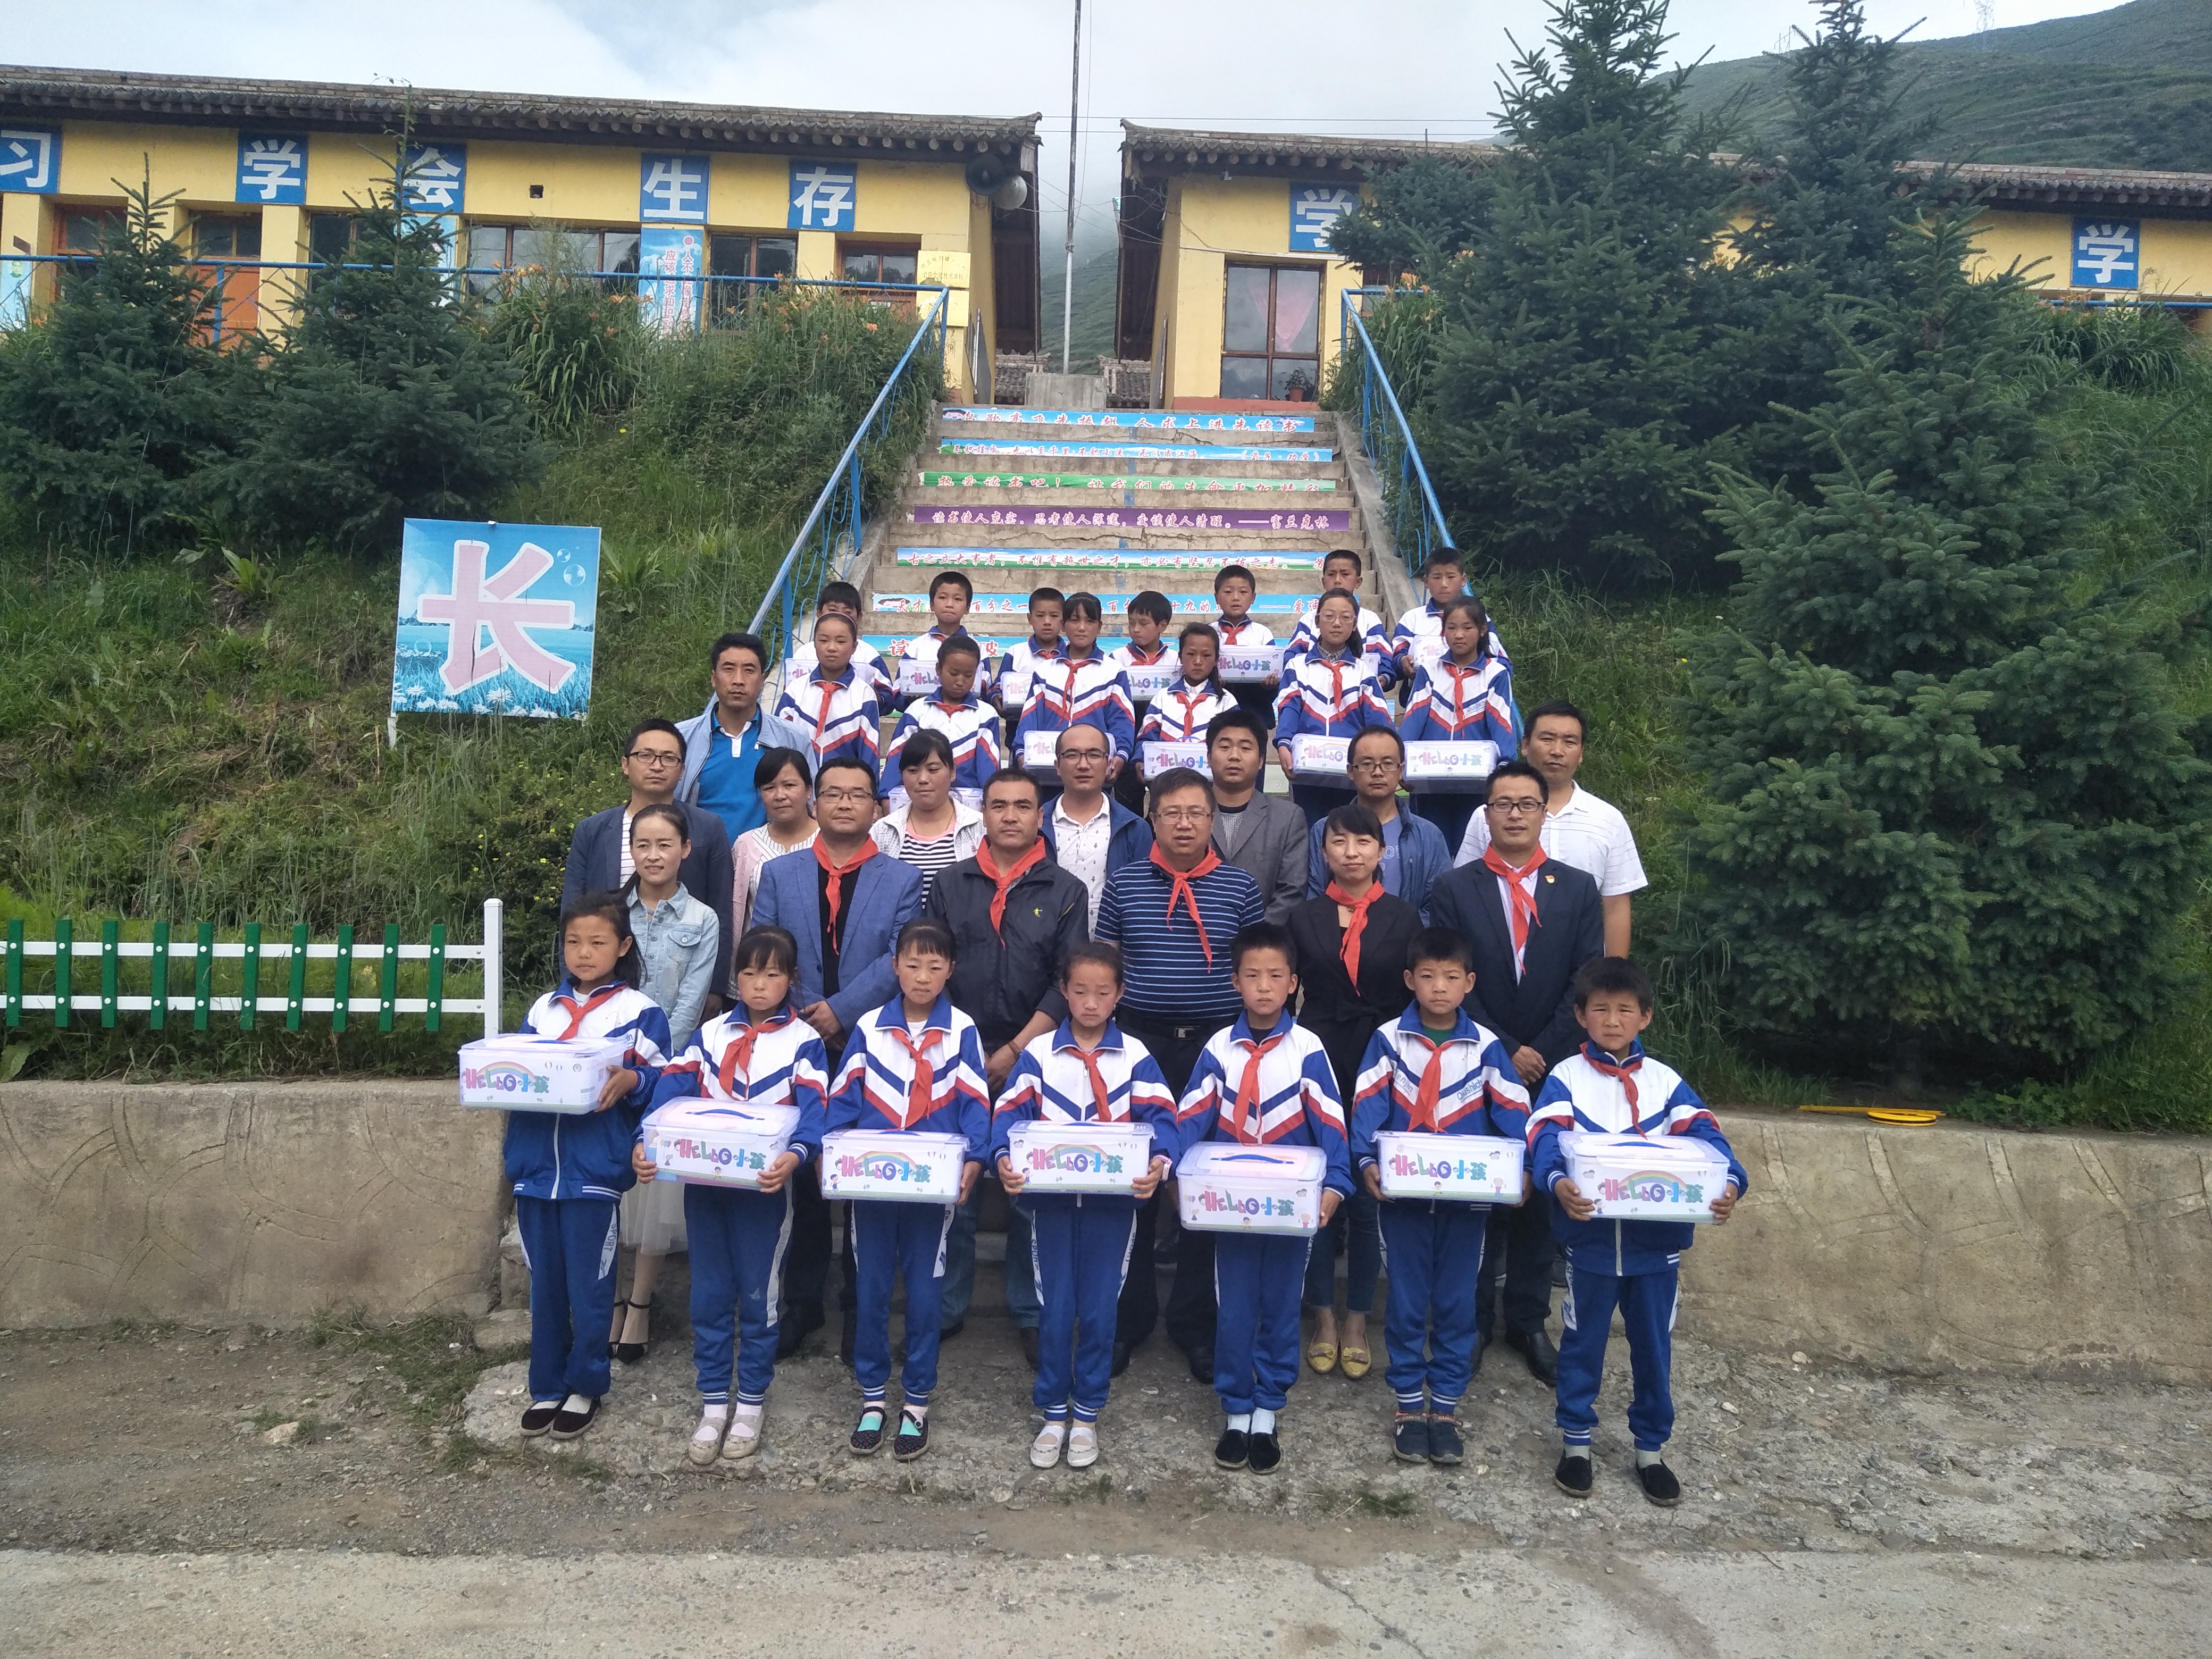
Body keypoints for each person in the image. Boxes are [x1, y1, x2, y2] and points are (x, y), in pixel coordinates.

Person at [1529, 956, 1747, 1505]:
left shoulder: (1665, 1083)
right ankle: (1576, 1444)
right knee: (1582, 1344)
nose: (1612, 1021)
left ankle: (1650, 1450)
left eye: (1625, 1010)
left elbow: (1709, 1138)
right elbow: (1544, 1138)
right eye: (1600, 1009)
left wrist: (1730, 1183)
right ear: (1580, 1015)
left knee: (1654, 1348)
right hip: (1590, 1246)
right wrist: (1556, 1181)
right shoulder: (1565, 1078)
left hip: (1657, 1249)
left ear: (1645, 1017)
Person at [1425, 759, 1604, 1386]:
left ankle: (1527, 1320)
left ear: (1542, 812)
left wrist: (1541, 1050)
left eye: (1527, 804)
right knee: (1480, 1192)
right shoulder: (1454, 888)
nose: (1515, 814)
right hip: (1477, 1059)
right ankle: (1472, 1320)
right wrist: (1505, 1047)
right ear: (1486, 813)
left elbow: (1584, 979)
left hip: (1551, 1065)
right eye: (1502, 804)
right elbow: (1451, 980)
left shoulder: (1577, 888)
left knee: (1538, 1191)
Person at [751, 756, 925, 1358]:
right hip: (793, 1039)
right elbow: (765, 947)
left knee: (862, 1175)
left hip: (869, 1042)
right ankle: (801, 1304)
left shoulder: (902, 879)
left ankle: (860, 1311)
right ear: (813, 803)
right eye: (832, 793)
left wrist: (841, 1011)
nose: (844, 803)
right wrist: (807, 1010)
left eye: (857, 794)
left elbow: (899, 957)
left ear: (878, 807)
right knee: (799, 1175)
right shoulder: (780, 873)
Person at [1095, 768, 1266, 1378]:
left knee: (1204, 1181)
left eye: (1196, 813)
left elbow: (1253, 971)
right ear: (1153, 819)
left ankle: (1196, 1322)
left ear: (1211, 820)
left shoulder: (1241, 888)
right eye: (1172, 813)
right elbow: (1106, 968)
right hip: (1138, 1047)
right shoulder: (1123, 884)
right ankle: (1128, 1318)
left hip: (1214, 1051)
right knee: (1134, 1181)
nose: (1185, 824)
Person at [636, 924, 828, 1466]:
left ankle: (752, 1402)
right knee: (709, 1294)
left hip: (764, 1194)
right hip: (705, 1187)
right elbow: (670, 1091)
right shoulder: (710, 1035)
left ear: (792, 979)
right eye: (748, 973)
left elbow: (815, 1109)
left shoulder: (804, 1042)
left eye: (772, 974)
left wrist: (798, 1154)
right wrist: (644, 1141)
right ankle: (714, 1400)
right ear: (735, 978)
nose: (759, 985)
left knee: (759, 1297)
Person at [923, 766, 1091, 1356]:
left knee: (1027, 1188)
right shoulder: (950, 883)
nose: (1011, 816)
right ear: (984, 814)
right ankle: (946, 1306)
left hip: (1035, 1054)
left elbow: (1066, 982)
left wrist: (1016, 1050)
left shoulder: (1066, 890)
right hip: (958, 1052)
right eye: (999, 806)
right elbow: (935, 967)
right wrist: (970, 1049)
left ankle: (1029, 1310)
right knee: (958, 1183)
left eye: (1023, 806)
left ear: (1039, 816)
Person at [990, 941, 1177, 1470]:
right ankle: (1053, 1412)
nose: (1090, 1003)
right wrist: (1003, 1157)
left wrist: (1159, 1162)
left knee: (1098, 1311)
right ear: (1064, 993)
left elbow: (1164, 1120)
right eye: (1079, 992)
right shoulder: (1038, 1054)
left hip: (1111, 1209)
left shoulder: (1136, 1057)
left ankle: (1088, 1413)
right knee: (1054, 1308)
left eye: (1102, 992)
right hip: (1049, 1206)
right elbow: (1007, 1114)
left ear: (1119, 995)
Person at [1173, 923, 1351, 1476]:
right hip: (1230, 1206)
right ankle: (1235, 1409)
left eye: (1276, 976)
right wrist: (1162, 1162)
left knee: (1280, 1306)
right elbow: (1189, 1115)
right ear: (1235, 982)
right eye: (1252, 976)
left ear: (1293, 983)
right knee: (1234, 1308)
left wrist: (1335, 1184)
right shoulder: (1217, 1049)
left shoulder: (1308, 1048)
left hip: (1289, 1207)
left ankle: (1268, 1409)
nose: (1264, 986)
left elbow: (1331, 1121)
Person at [1348, 927, 1531, 1466]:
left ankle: (1445, 1405)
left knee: (1456, 1304)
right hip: (1403, 1201)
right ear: (1410, 980)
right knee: (1405, 1303)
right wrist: (1365, 1160)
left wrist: (1521, 1167)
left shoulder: (1487, 1047)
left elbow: (1515, 1111)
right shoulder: (1387, 1040)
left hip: (1466, 1204)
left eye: (1451, 977)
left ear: (1469, 983)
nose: (1439, 988)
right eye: (1427, 977)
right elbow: (1366, 1105)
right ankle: (1408, 1403)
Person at [823, 918, 990, 1462]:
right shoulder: (869, 1027)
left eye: (934, 967)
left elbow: (975, 1102)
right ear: (894, 966)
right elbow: (842, 1101)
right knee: (870, 1290)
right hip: (871, 1188)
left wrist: (975, 1158)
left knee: (924, 1295)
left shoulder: (961, 1030)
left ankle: (916, 1400)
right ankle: (873, 1397)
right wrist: (833, 1152)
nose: (922, 976)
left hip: (931, 1191)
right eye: (912, 965)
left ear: (950, 970)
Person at [508, 891, 671, 1444]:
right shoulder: (543, 1010)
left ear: (622, 947)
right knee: (545, 1286)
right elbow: (517, 1071)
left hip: (593, 1173)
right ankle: (546, 1385)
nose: (583, 952)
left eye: (597, 942)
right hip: (534, 1169)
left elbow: (665, 1080)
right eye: (573, 942)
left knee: (591, 1286)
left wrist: (633, 1080)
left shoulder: (640, 1012)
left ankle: (587, 1384)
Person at [1286, 803, 1420, 1384]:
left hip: (1383, 1058)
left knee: (1369, 1196)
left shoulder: (1404, 917)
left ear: (1381, 851)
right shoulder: (1304, 917)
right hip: (1319, 1055)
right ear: (1324, 852)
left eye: (1363, 843)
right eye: (1339, 842)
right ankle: (1321, 1314)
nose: (1351, 853)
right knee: (1319, 1187)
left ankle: (1358, 1319)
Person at [609, 802, 720, 1366]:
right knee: (612, 1189)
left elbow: (689, 1005)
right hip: (609, 1070)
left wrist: (654, 1069)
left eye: (664, 845)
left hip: (668, 1069)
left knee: (653, 1194)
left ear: (685, 850)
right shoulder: (611, 912)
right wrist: (616, 1063)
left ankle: (639, 1303)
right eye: (643, 845)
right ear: (631, 850)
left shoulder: (702, 919)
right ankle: (609, 1297)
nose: (653, 856)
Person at [563, 718, 734, 1011]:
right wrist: (571, 981)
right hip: (603, 979)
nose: (657, 766)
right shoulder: (592, 830)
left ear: (682, 770)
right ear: (625, 764)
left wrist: (715, 989)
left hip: (681, 979)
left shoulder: (708, 828)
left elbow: (721, 909)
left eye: (668, 758)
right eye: (646, 756)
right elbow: (571, 910)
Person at [1455, 700, 1647, 960]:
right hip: (1497, 960)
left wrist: (1612, 975)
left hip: (1581, 965)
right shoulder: (1488, 816)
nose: (1557, 751)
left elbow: (1616, 906)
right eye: (1547, 739)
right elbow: (1466, 894)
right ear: (1525, 745)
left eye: (1569, 742)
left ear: (1581, 753)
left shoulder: (1608, 820)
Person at [1399, 594, 1520, 854]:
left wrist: (1505, 767)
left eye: (1467, 627)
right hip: (1430, 780)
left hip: (1477, 782)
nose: (1459, 635)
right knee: (1432, 848)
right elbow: (1413, 718)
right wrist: (1401, 761)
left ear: (1482, 630)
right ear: (1443, 632)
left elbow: (1502, 724)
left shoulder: (1495, 674)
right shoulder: (1429, 670)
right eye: (1451, 628)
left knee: (1472, 851)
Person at [676, 631, 812, 843]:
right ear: (713, 678)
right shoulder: (681, 739)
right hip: (698, 857)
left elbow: (811, 806)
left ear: (762, 680)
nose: (738, 680)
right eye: (728, 669)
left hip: (771, 857)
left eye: (749, 670)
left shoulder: (794, 739)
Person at [1274, 588, 1393, 826]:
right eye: (1329, 616)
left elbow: (1378, 721)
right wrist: (1284, 743)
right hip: (1307, 769)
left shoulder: (1363, 672)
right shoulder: (1297, 667)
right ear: (1317, 621)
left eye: (1345, 617)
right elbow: (1289, 709)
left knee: (1349, 831)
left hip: (1351, 772)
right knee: (1309, 829)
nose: (1337, 623)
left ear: (1354, 624)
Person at [1303, 727, 1452, 909]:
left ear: (1401, 770)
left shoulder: (1429, 835)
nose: (1378, 772)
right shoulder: (1324, 830)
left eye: (1388, 764)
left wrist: (1406, 926)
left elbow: (1438, 904)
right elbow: (1314, 900)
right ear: (1350, 771)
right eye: (1367, 764)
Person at [1013, 591, 1135, 789]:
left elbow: (1122, 720)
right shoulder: (1045, 671)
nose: (1081, 628)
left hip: (1094, 773)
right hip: (1048, 770)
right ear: (1063, 624)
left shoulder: (1114, 672)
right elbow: (1029, 718)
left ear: (1100, 626)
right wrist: (1021, 752)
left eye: (1090, 621)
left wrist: (1121, 755)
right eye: (1074, 620)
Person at [1041, 723, 1153, 931]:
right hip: (1046, 945)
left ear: (1108, 764)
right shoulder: (1036, 826)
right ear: (1057, 766)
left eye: (1094, 755)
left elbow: (1142, 902)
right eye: (1072, 755)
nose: (1083, 765)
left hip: (1111, 946)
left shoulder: (1135, 829)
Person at [1205, 707, 1309, 924]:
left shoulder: (1288, 818)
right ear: (1208, 756)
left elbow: (1292, 891)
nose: (1234, 756)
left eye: (1245, 748)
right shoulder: (1188, 814)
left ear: (1261, 760)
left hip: (1263, 940)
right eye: (1224, 747)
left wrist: (1253, 937)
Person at [882, 634, 1000, 809]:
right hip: (922, 799)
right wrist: (886, 795)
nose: (960, 681)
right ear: (938, 669)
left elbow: (988, 765)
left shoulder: (986, 714)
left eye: (969, 675)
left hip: (969, 805)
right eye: (953, 673)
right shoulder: (917, 711)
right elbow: (897, 756)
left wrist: (991, 801)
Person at [869, 730, 985, 907]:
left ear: (953, 772)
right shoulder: (882, 832)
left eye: (933, 770)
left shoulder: (980, 828)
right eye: (913, 771)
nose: (923, 779)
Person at [774, 610, 881, 781]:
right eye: (823, 641)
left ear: (854, 647)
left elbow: (869, 751)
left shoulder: (864, 695)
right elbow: (779, 742)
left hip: (845, 788)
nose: (832, 648)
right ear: (814, 644)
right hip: (799, 786)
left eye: (841, 641)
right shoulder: (795, 690)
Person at [730, 748, 818, 936]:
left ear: (809, 790)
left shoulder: (828, 840)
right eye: (769, 788)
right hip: (758, 950)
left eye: (789, 785)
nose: (780, 796)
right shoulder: (746, 844)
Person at [1390, 550, 1510, 688]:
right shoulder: (1412, 619)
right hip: (1421, 695)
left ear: (1463, 580)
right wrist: (1403, 662)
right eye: (1437, 578)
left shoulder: (1479, 619)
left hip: (1471, 695)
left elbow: (1501, 662)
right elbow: (1396, 658)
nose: (1444, 584)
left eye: (1451, 577)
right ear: (1426, 581)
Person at [1285, 549, 1394, 690]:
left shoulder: (1369, 619)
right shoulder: (1309, 619)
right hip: (1313, 689)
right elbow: (1293, 655)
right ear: (1324, 581)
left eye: (1345, 574)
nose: (1337, 580)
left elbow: (1383, 656)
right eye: (1331, 575)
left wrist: (1384, 676)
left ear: (1358, 581)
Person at [1110, 589, 1176, 814]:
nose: (1136, 629)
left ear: (1162, 625)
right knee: (1128, 804)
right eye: (1132, 623)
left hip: (1161, 740)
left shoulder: (1176, 661)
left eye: (1144, 623)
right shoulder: (1117, 659)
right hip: (1128, 740)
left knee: (1165, 804)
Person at [885, 571, 991, 708]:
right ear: (932, 604)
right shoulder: (917, 647)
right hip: (924, 713)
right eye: (942, 597)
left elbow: (985, 691)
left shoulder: (978, 648)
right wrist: (911, 700)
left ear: (968, 608)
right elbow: (899, 692)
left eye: (958, 599)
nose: (949, 604)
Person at [779, 581, 888, 701]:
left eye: (847, 613)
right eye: (832, 610)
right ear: (819, 612)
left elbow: (887, 696)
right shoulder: (804, 654)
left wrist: (869, 695)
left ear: (859, 618)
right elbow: (790, 693)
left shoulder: (869, 655)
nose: (840, 617)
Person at [1136, 623, 1237, 752]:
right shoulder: (1163, 698)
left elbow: (1232, 744)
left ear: (1216, 659)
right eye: (1191, 654)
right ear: (1180, 657)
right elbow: (1146, 740)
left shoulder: (1227, 702)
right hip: (1167, 765)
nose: (1198, 662)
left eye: (1206, 655)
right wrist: (1140, 759)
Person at [1211, 564, 1279, 729]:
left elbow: (1273, 669)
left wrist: (1269, 685)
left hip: (1255, 712)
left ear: (1253, 597)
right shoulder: (1209, 633)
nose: (1236, 598)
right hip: (1215, 711)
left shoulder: (1263, 634)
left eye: (1243, 592)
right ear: (1216, 597)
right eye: (1228, 592)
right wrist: (1213, 680)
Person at [991, 586, 1065, 735]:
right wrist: (997, 699)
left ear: (1063, 620)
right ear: (1030, 618)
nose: (1047, 622)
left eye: (1054, 616)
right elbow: (997, 688)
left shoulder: (1070, 655)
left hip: (1062, 734)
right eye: (1040, 616)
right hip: (1020, 734)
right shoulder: (1015, 653)